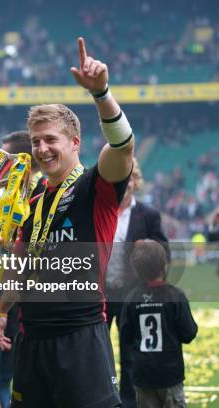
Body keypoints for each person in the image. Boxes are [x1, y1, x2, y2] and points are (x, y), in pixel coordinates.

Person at [0, 37, 135, 407]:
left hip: (81, 336)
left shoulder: (96, 187)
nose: (42, 149)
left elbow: (122, 148)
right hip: (31, 337)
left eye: (51, 140)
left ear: (74, 141)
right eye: (37, 141)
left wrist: (102, 93)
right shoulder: (34, 202)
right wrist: (2, 311)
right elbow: (24, 267)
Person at [104, 158, 169, 408]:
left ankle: (129, 402)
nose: (125, 182)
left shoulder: (148, 215)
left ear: (136, 181)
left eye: (129, 177)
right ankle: (106, 397)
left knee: (131, 351)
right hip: (102, 293)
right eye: (119, 177)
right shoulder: (101, 210)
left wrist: (148, 248)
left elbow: (164, 252)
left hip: (134, 294)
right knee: (100, 349)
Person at [0, 130, 42, 408]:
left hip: (32, 301)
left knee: (20, 376)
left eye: (5, 157)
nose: (0, 164)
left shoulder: (46, 192)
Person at [120, 240, 197, 408]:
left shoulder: (132, 298)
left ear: (137, 270)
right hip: (170, 374)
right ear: (164, 265)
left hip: (143, 375)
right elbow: (189, 333)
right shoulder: (175, 296)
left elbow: (125, 337)